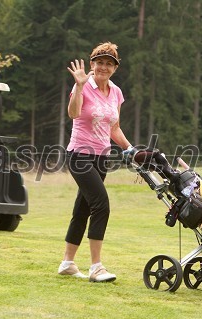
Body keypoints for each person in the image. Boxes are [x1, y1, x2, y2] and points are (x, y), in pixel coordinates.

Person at [58, 42, 133, 282]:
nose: (104, 67)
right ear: (92, 65)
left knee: (83, 207)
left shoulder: (117, 92)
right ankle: (96, 267)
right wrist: (79, 87)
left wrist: (130, 149)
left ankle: (68, 263)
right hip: (79, 155)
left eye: (109, 64)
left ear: (115, 68)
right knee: (101, 204)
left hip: (102, 157)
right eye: (99, 62)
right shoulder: (82, 86)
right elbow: (73, 113)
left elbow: (114, 127)